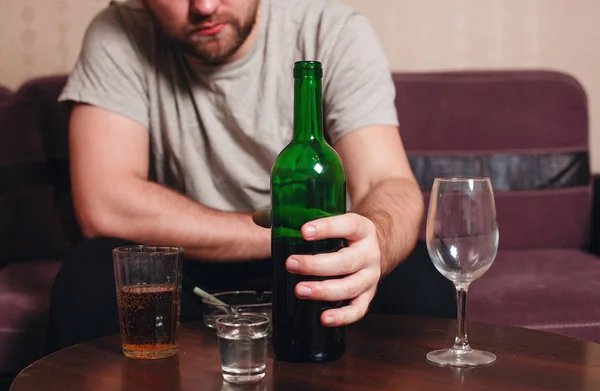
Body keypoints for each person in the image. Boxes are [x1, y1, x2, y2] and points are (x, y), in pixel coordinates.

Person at [47, 0, 455, 351]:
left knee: (420, 279)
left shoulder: (331, 28)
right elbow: (104, 203)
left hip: (322, 261)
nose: (204, 7)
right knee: (90, 273)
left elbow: (386, 182)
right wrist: (277, 235)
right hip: (194, 267)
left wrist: (375, 244)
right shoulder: (117, 31)